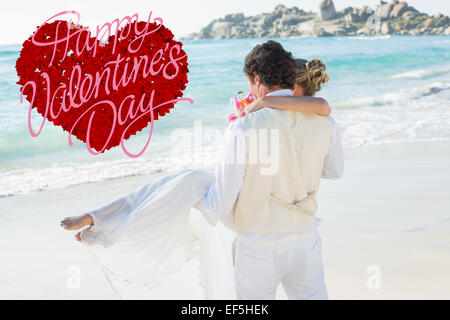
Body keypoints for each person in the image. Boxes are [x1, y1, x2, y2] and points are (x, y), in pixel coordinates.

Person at [61, 40, 343, 300]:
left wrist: (198, 197)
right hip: (306, 240)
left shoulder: (243, 127)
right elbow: (333, 171)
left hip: (259, 246)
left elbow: (220, 206)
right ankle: (106, 222)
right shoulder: (324, 122)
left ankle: (108, 224)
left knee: (191, 182)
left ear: (256, 80)